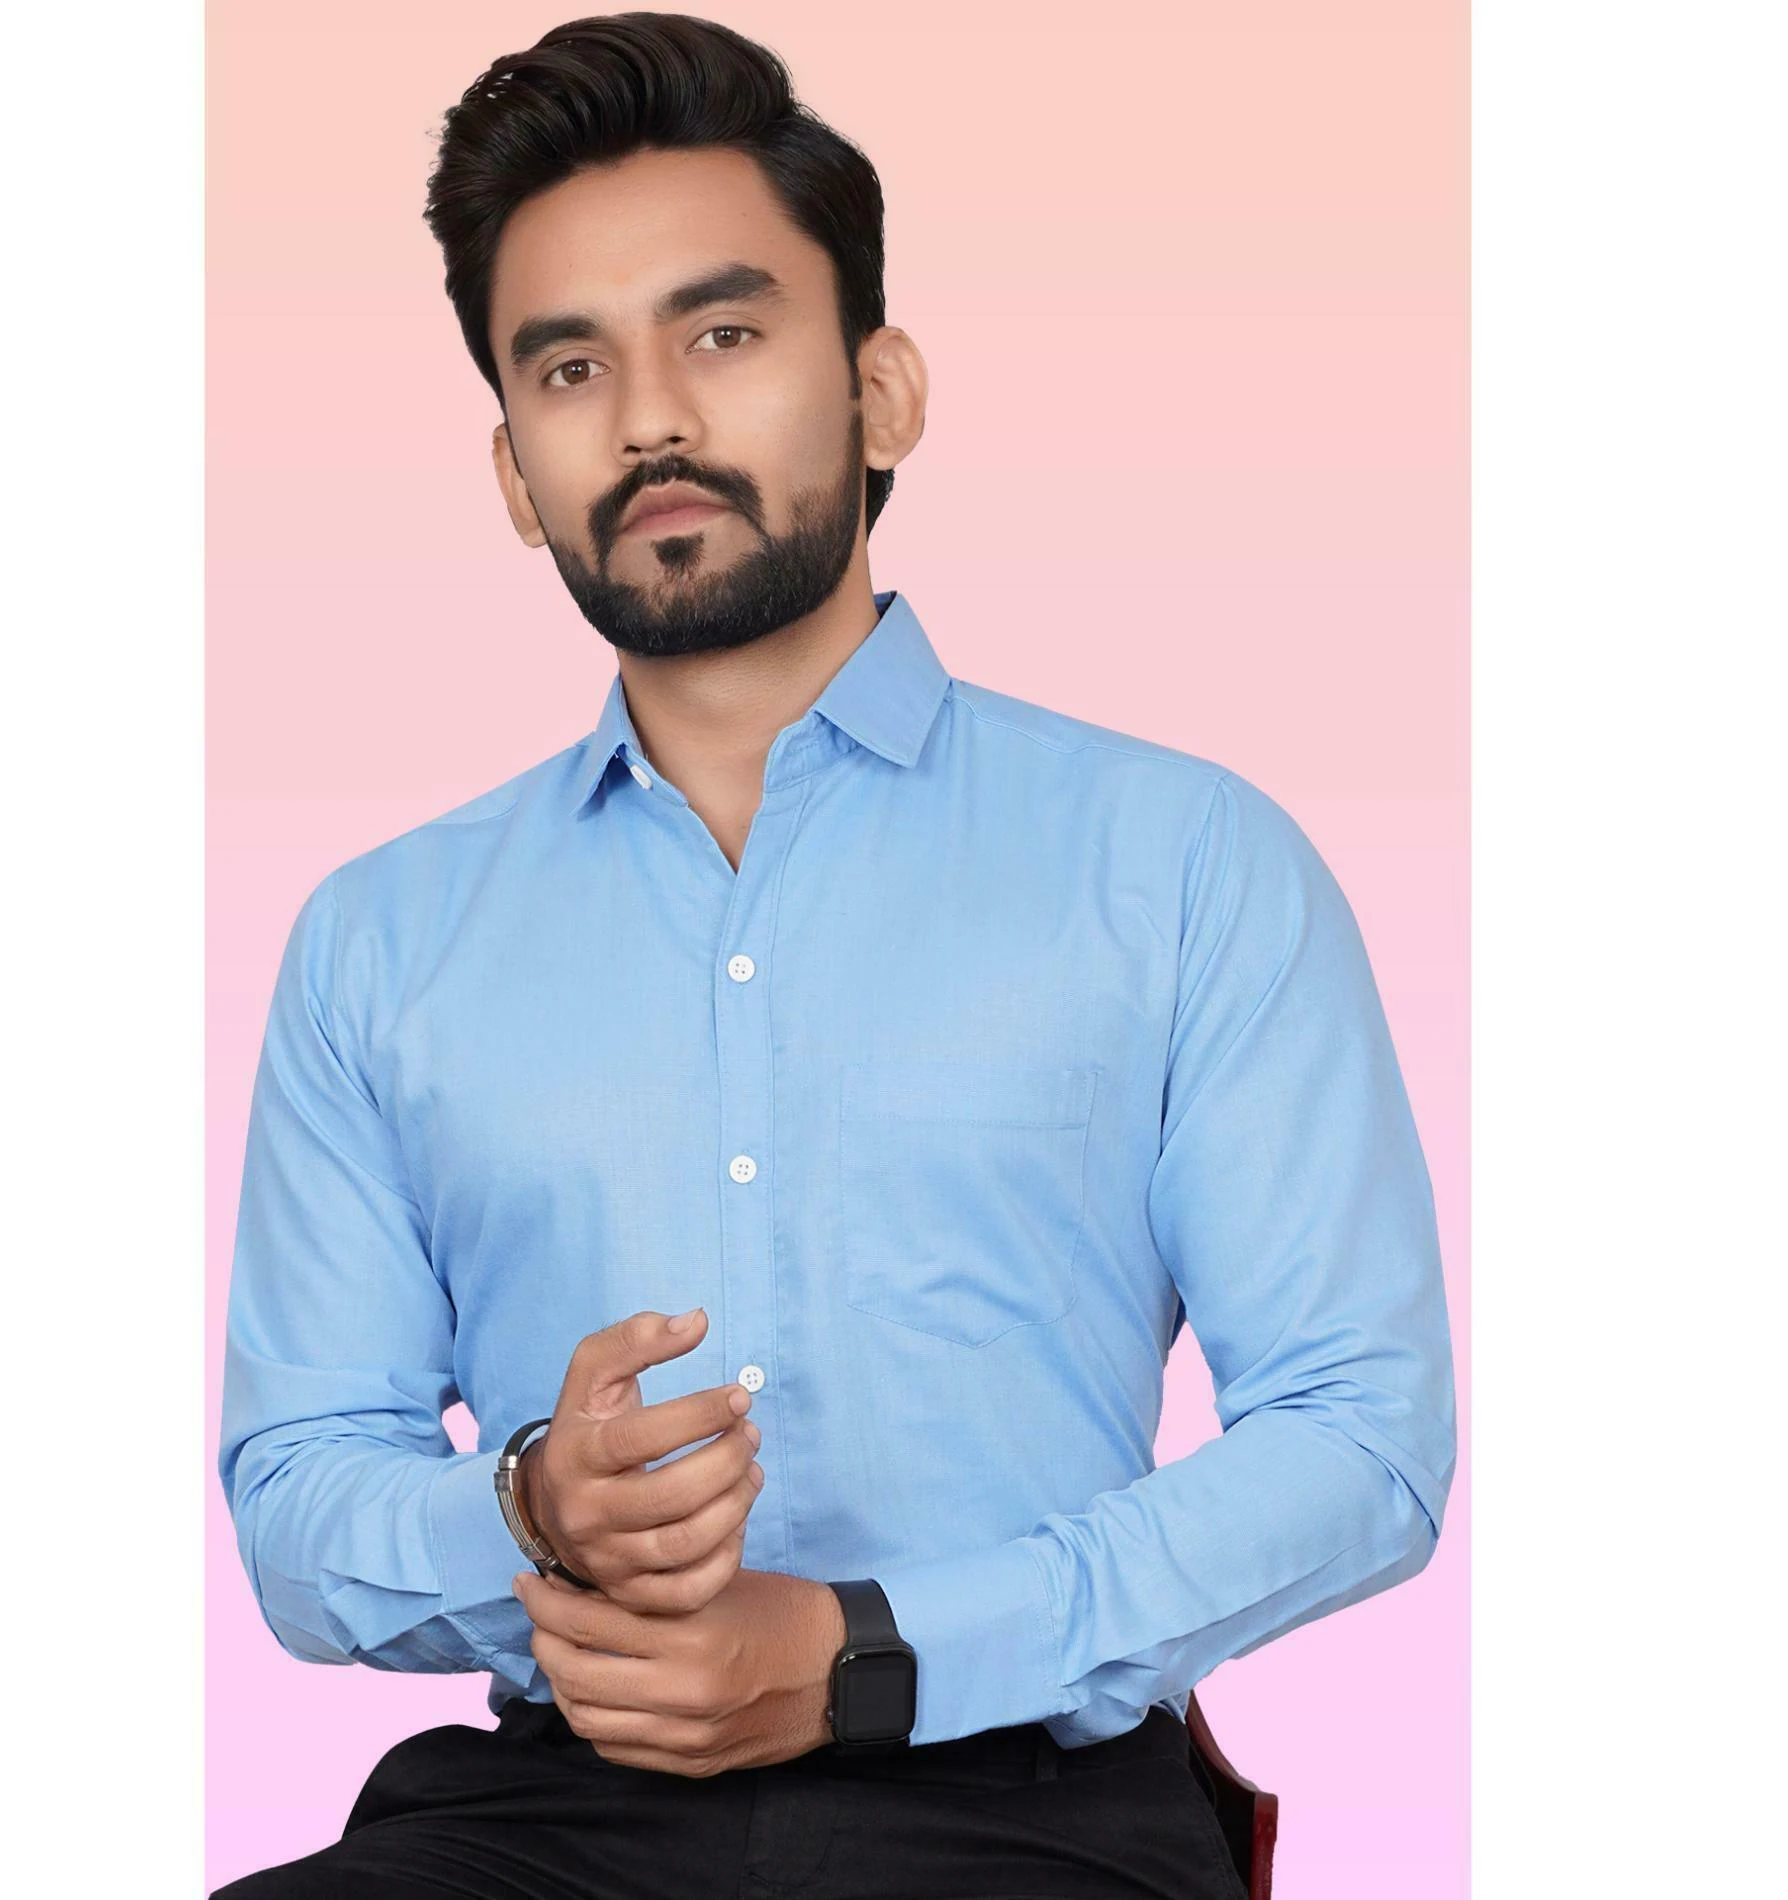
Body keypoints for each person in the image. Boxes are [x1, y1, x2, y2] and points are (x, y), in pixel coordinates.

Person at [212, 12, 1457, 1896]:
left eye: (722, 335)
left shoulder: (1184, 864)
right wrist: (530, 1513)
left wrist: (873, 1652)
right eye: (571, 366)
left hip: (1023, 1801)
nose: (650, 418)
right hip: (547, 1814)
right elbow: (301, 1492)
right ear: (514, 472)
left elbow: (1363, 1442)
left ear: (882, 394)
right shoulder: (377, 944)